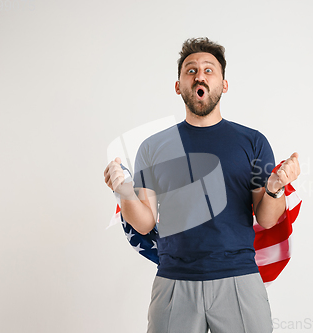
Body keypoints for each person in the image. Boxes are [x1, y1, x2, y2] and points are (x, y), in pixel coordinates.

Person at [104, 37, 300, 333]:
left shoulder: (253, 142)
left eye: (209, 70)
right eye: (191, 70)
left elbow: (268, 218)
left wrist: (274, 187)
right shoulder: (153, 147)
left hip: (239, 281)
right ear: (178, 85)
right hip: (174, 283)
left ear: (224, 84)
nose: (200, 75)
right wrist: (124, 191)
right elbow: (144, 223)